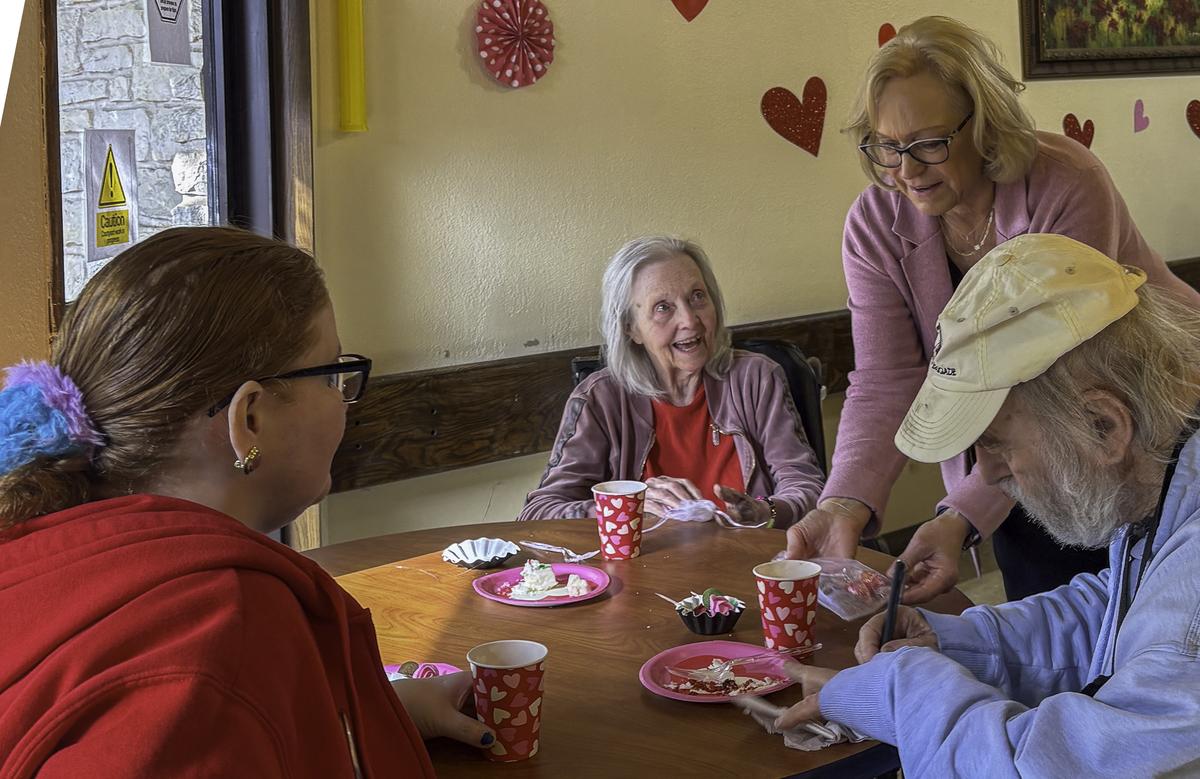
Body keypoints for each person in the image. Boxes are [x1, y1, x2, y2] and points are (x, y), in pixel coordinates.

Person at [0, 228, 493, 776]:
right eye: (332, 376)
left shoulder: (43, 542)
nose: (345, 403)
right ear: (249, 419)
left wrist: (357, 721)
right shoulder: (221, 630)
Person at [785, 15, 1200, 602]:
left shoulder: (1066, 182)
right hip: (1026, 452)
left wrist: (960, 516)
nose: (905, 171)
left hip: (1139, 421)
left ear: (985, 127)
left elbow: (1055, 380)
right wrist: (843, 501)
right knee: (1045, 616)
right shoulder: (874, 225)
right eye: (887, 147)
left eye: (929, 143)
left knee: (1141, 619)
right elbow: (885, 380)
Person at [774, 234, 1200, 776]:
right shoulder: (1169, 475)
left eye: (995, 442)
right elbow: (1117, 616)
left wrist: (906, 688)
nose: (989, 473)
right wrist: (956, 642)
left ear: (1103, 426)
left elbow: (1033, 769)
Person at [521, 236, 823, 527]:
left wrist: (765, 512)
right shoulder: (600, 399)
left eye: (697, 297)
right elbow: (538, 514)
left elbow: (808, 488)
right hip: (644, 575)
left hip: (751, 568)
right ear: (631, 328)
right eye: (663, 307)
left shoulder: (756, 379)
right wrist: (628, 506)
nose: (690, 320)